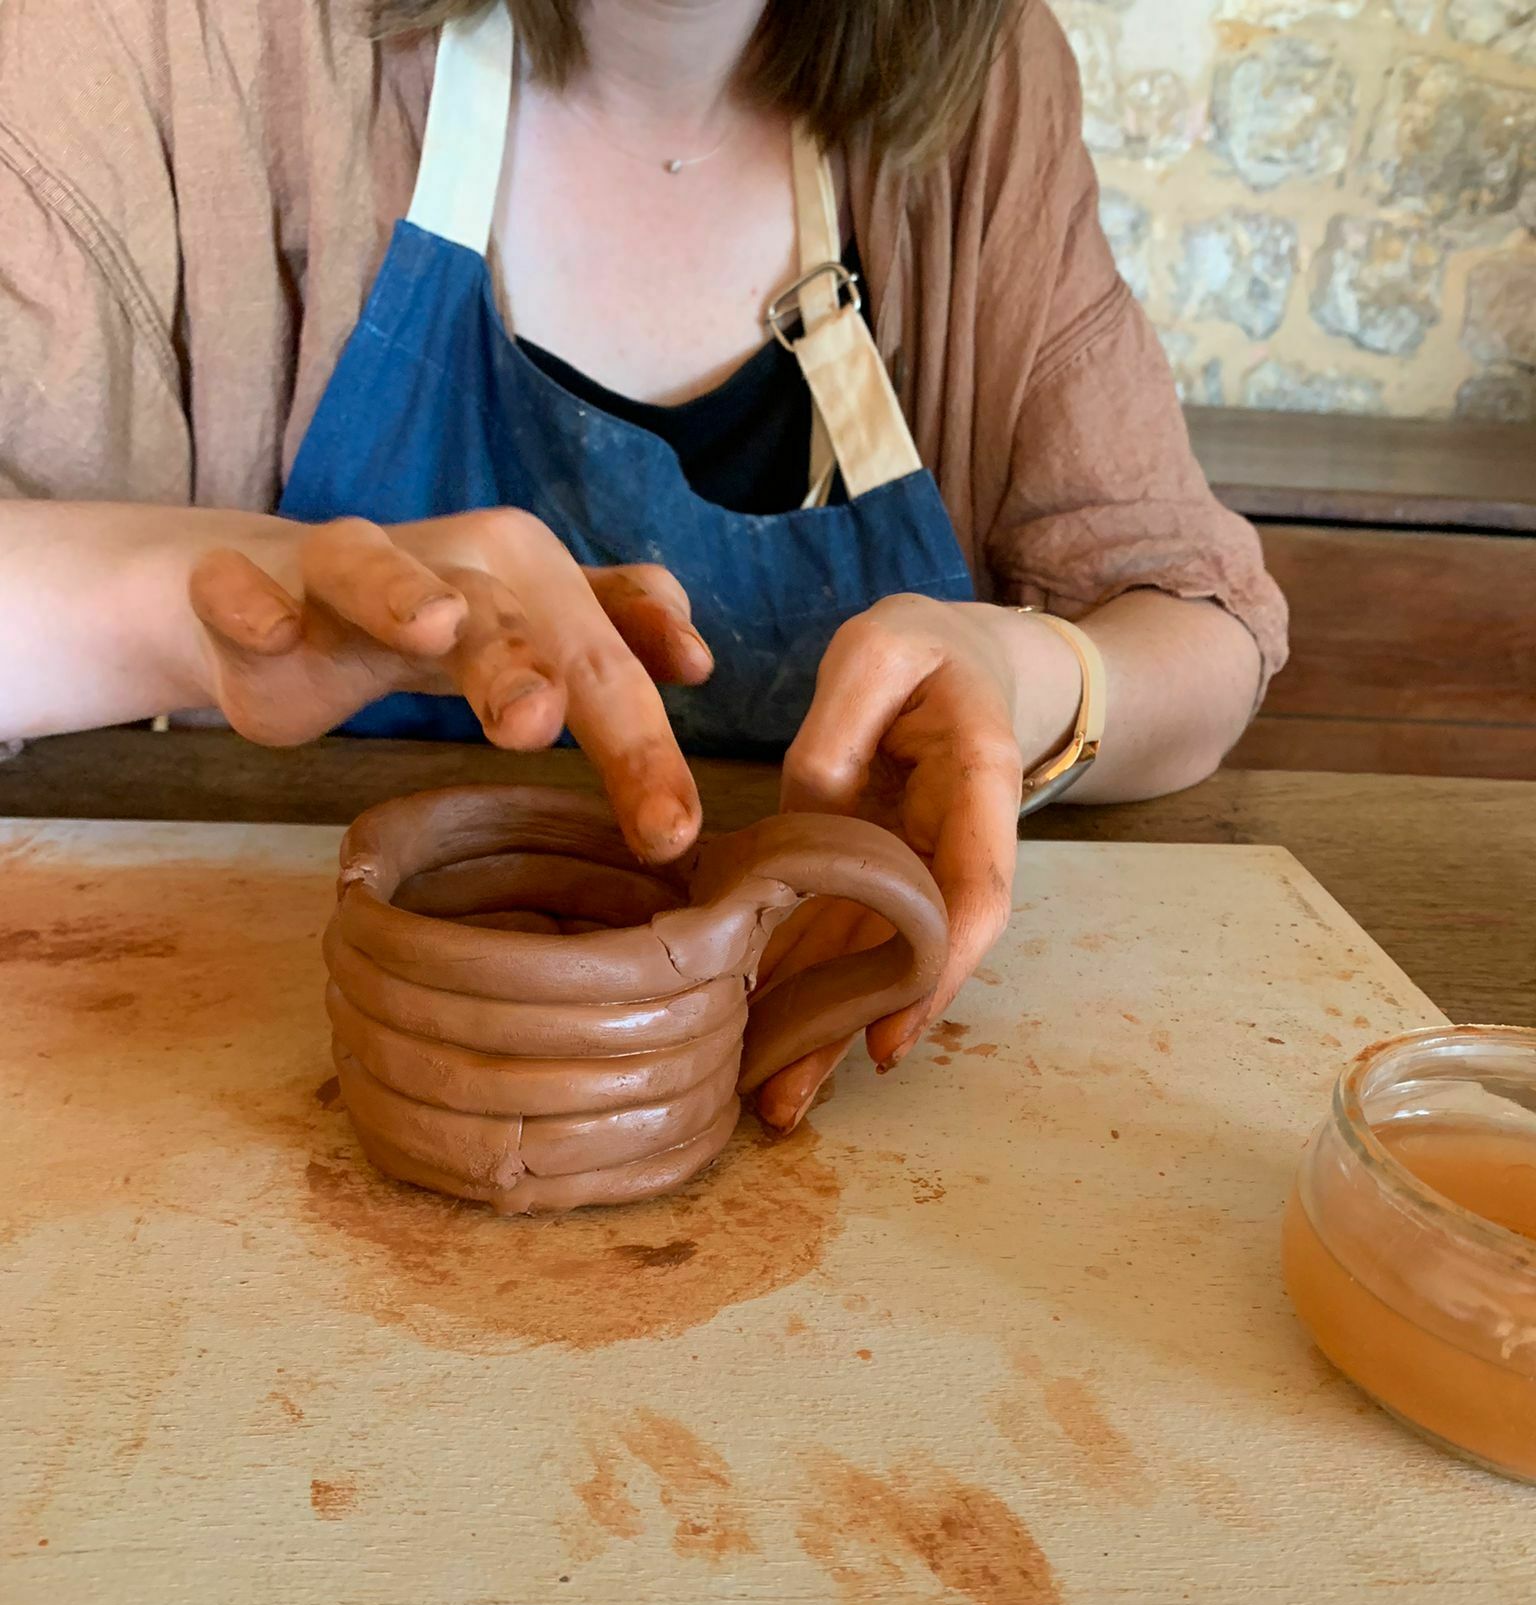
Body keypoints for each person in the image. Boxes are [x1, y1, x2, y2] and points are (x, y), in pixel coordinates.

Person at [0, 0, 1286, 1130]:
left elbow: (1199, 625)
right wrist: (212, 606)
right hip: (228, 1057)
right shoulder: (169, 43)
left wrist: (1028, 675)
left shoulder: (984, 80)